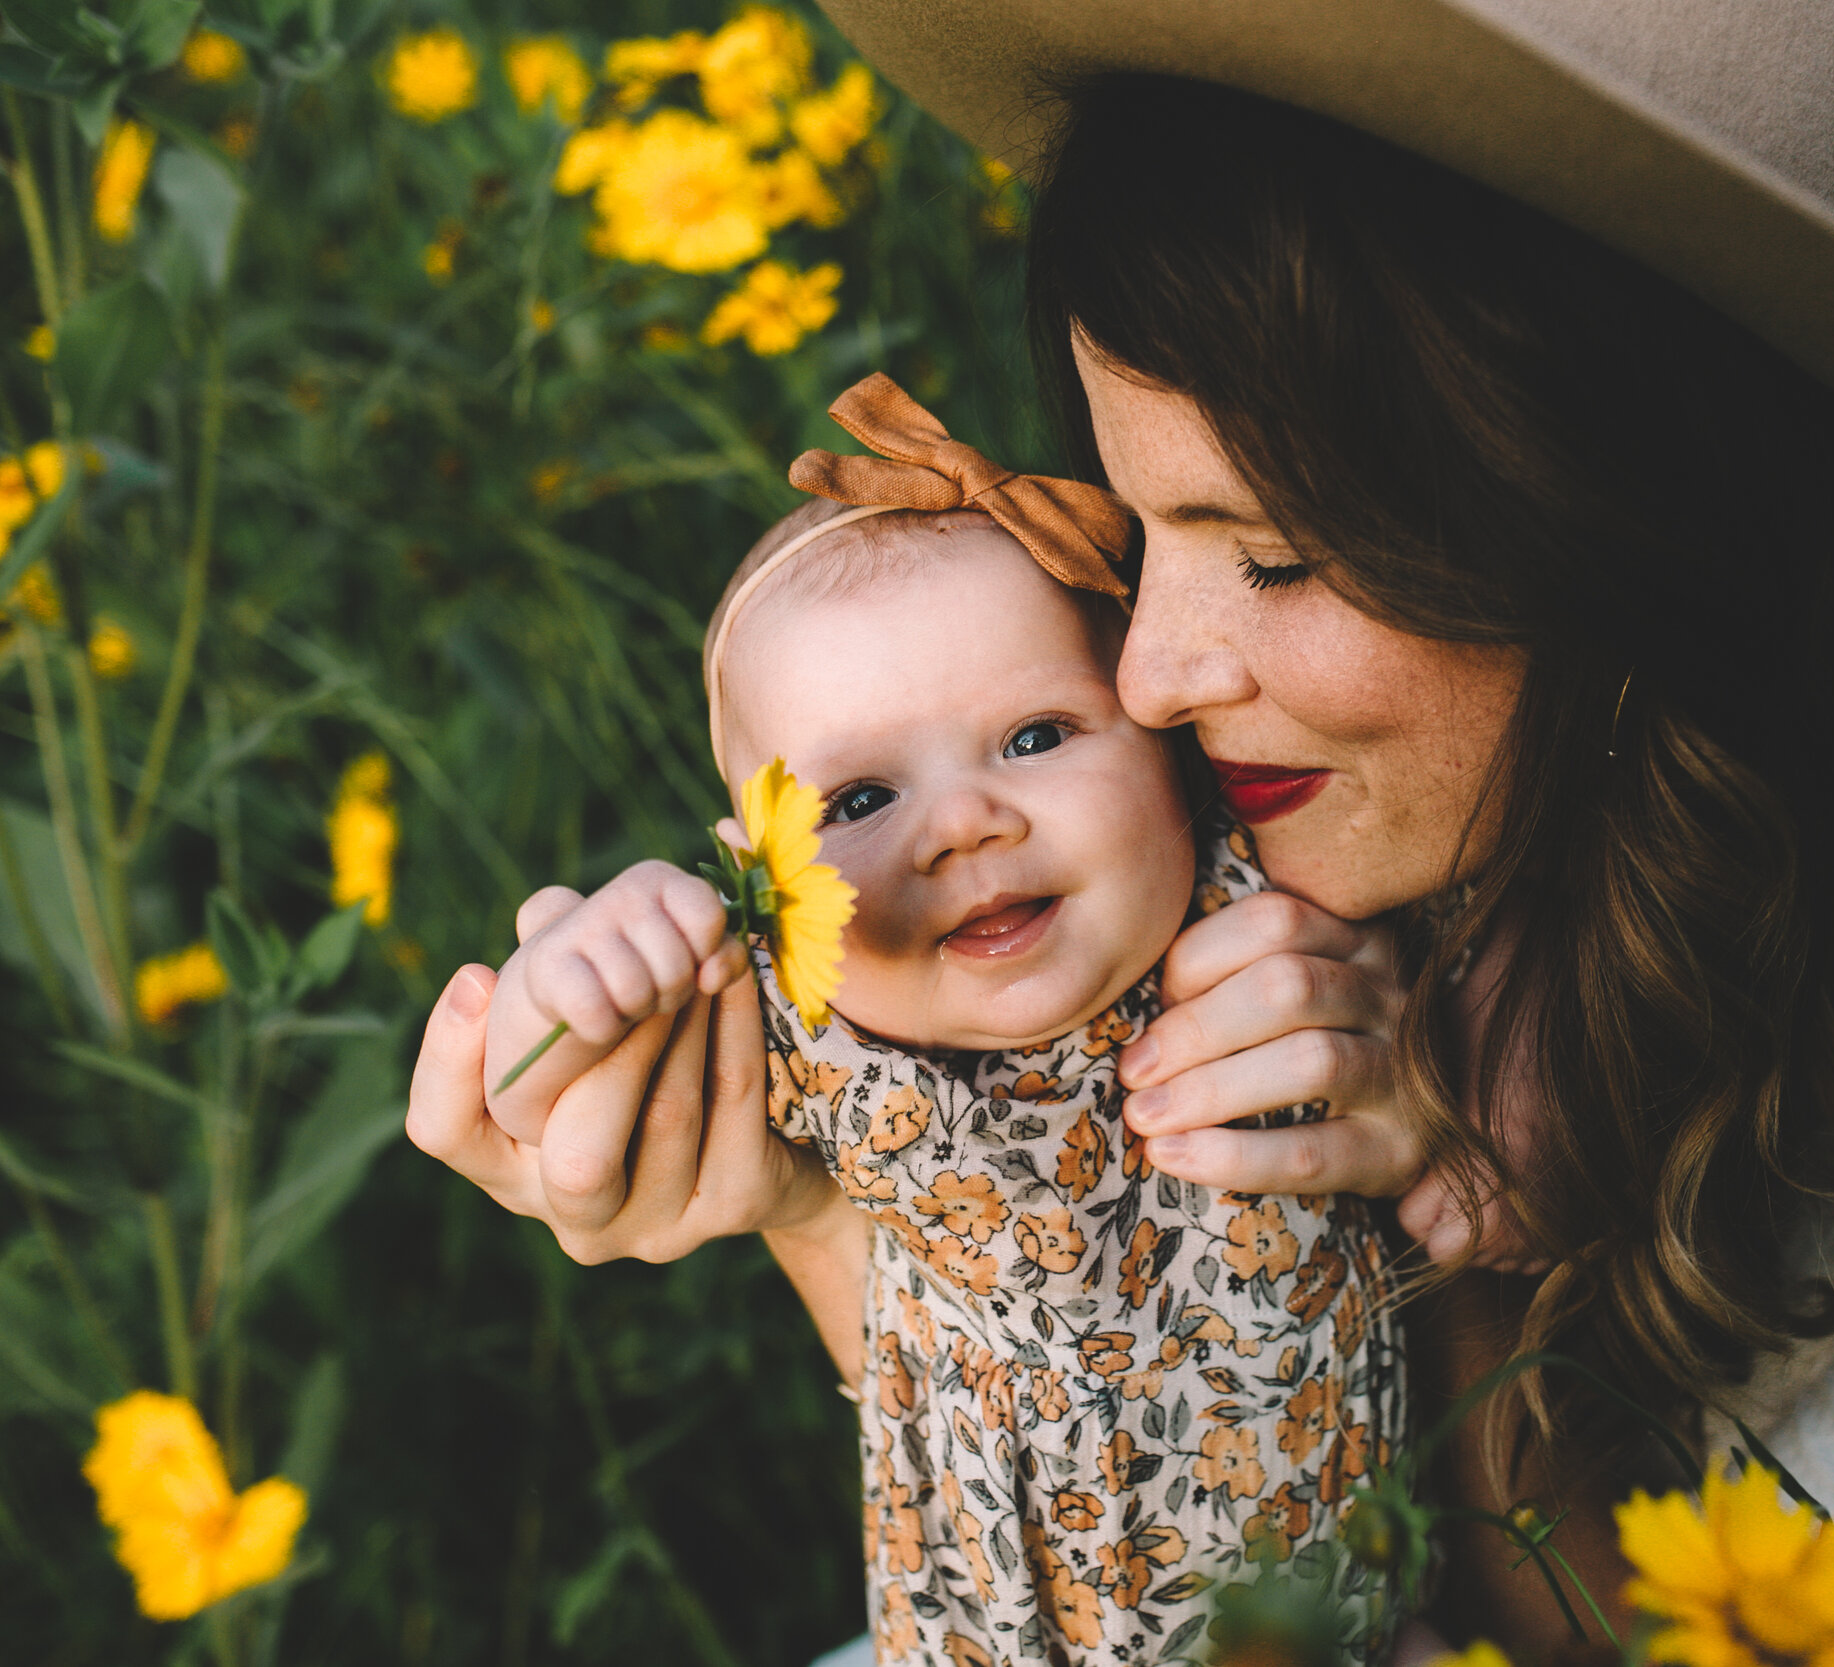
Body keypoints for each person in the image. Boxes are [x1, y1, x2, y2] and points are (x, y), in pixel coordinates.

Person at [408, 1, 1834, 1655]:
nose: (1157, 675)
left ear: (1636, 530)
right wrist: (793, 1167)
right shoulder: (1199, 769)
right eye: (1138, 523)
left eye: (1277, 556)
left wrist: (1418, 1261)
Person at [467, 375, 1410, 1665]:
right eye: (857, 802)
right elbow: (557, 1094)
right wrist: (589, 969)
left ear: (1161, 740)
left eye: (1034, 735)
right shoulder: (815, 1021)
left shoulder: (1261, 914)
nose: (966, 822)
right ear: (765, 866)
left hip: (1340, 1600)